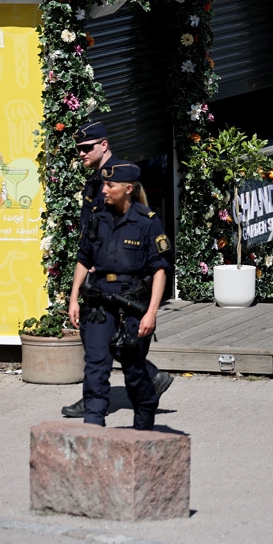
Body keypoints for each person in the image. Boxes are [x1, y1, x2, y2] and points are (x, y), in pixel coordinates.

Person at [60, 122, 172, 419]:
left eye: (87, 147)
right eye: (79, 149)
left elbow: (158, 263)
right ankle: (96, 401)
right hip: (98, 277)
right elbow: (91, 232)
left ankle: (144, 383)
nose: (81, 153)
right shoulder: (98, 180)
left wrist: (152, 309)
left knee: (120, 347)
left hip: (125, 283)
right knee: (95, 345)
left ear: (104, 145)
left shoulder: (120, 178)